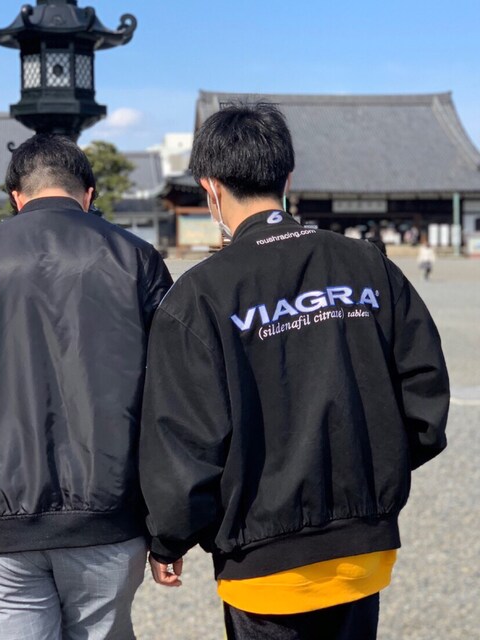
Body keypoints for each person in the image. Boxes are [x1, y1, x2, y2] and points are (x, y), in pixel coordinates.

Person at [139, 104, 449, 639]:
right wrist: (372, 474)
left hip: (262, 564)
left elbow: (184, 439)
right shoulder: (368, 266)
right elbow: (424, 396)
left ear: (210, 188)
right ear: (288, 178)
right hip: (362, 552)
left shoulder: (199, 296)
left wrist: (169, 537)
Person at [0, 133, 173, 640]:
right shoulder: (137, 259)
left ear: (16, 197)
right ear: (88, 193)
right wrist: (173, 522)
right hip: (110, 512)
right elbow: (174, 392)